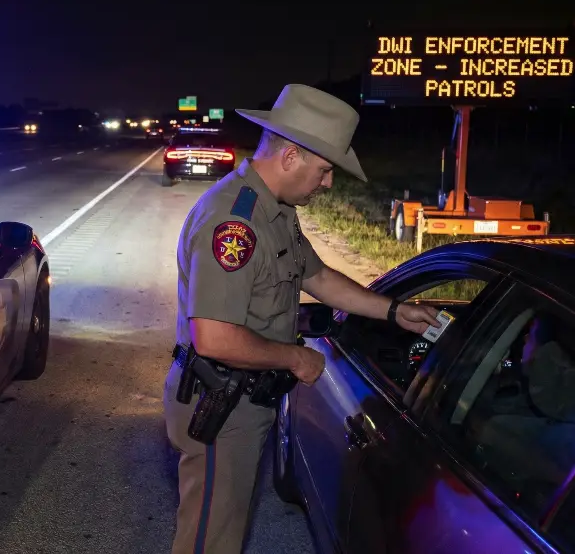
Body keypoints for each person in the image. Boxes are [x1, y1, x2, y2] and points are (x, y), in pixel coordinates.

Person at [162, 84, 440, 554]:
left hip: (242, 402)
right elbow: (211, 337)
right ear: (291, 156)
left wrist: (395, 310)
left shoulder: (277, 212)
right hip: (220, 406)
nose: (328, 182)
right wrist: (293, 357)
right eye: (325, 169)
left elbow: (319, 277)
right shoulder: (236, 223)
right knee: (211, 542)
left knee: (223, 533)